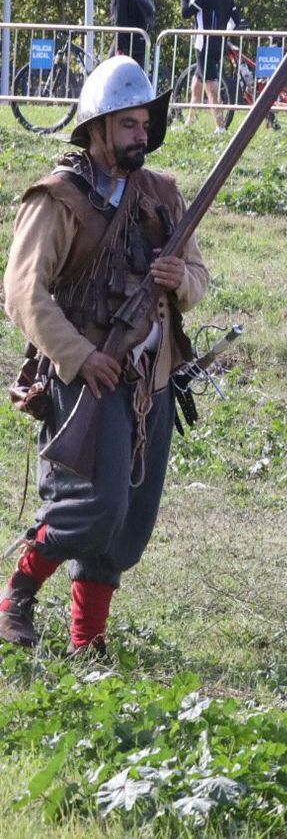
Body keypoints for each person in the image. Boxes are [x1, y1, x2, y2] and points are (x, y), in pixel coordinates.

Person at [0, 56, 208, 654]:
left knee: (129, 523)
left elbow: (197, 278)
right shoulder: (58, 198)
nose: (141, 135)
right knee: (91, 509)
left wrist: (176, 279)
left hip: (154, 377)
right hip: (86, 375)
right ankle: (17, 589)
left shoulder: (162, 194)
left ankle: (85, 642)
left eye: (145, 124)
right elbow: (23, 292)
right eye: (128, 125)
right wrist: (77, 357)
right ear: (97, 129)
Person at [179, 0, 243, 131]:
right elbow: (236, 20)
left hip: (204, 45)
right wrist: (223, 34)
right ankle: (190, 123)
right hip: (218, 45)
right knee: (196, 85)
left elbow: (185, 13)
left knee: (211, 87)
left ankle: (220, 128)